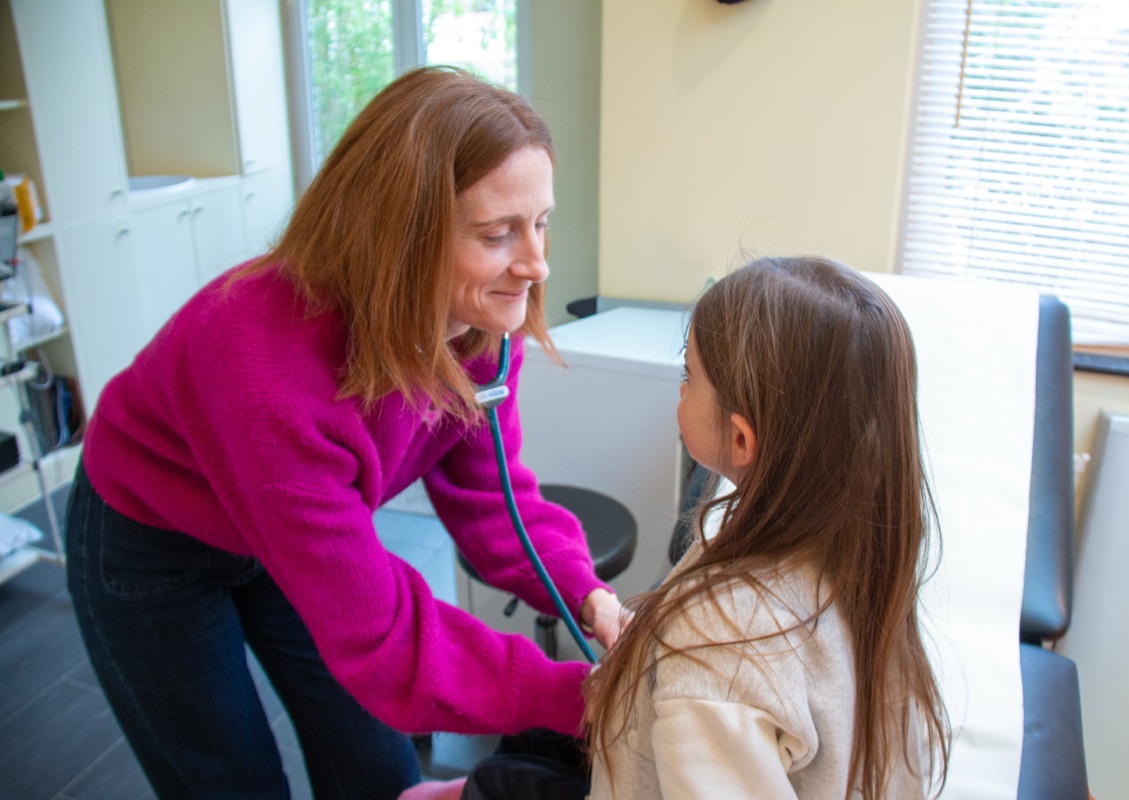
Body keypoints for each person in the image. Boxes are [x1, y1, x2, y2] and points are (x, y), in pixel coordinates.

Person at [64, 65, 623, 800]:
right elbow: (386, 645)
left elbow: (494, 501)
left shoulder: (480, 328)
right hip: (153, 541)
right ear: (400, 235)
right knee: (229, 782)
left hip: (285, 530)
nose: (537, 263)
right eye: (498, 234)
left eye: (541, 222)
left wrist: (586, 595)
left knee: (377, 767)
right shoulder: (265, 366)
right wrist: (576, 698)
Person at [403, 255, 952, 799]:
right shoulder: (859, 563)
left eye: (689, 376)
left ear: (740, 441)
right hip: (644, 733)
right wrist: (639, 638)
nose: (535, 264)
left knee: (492, 783)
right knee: (527, 749)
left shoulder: (716, 654)